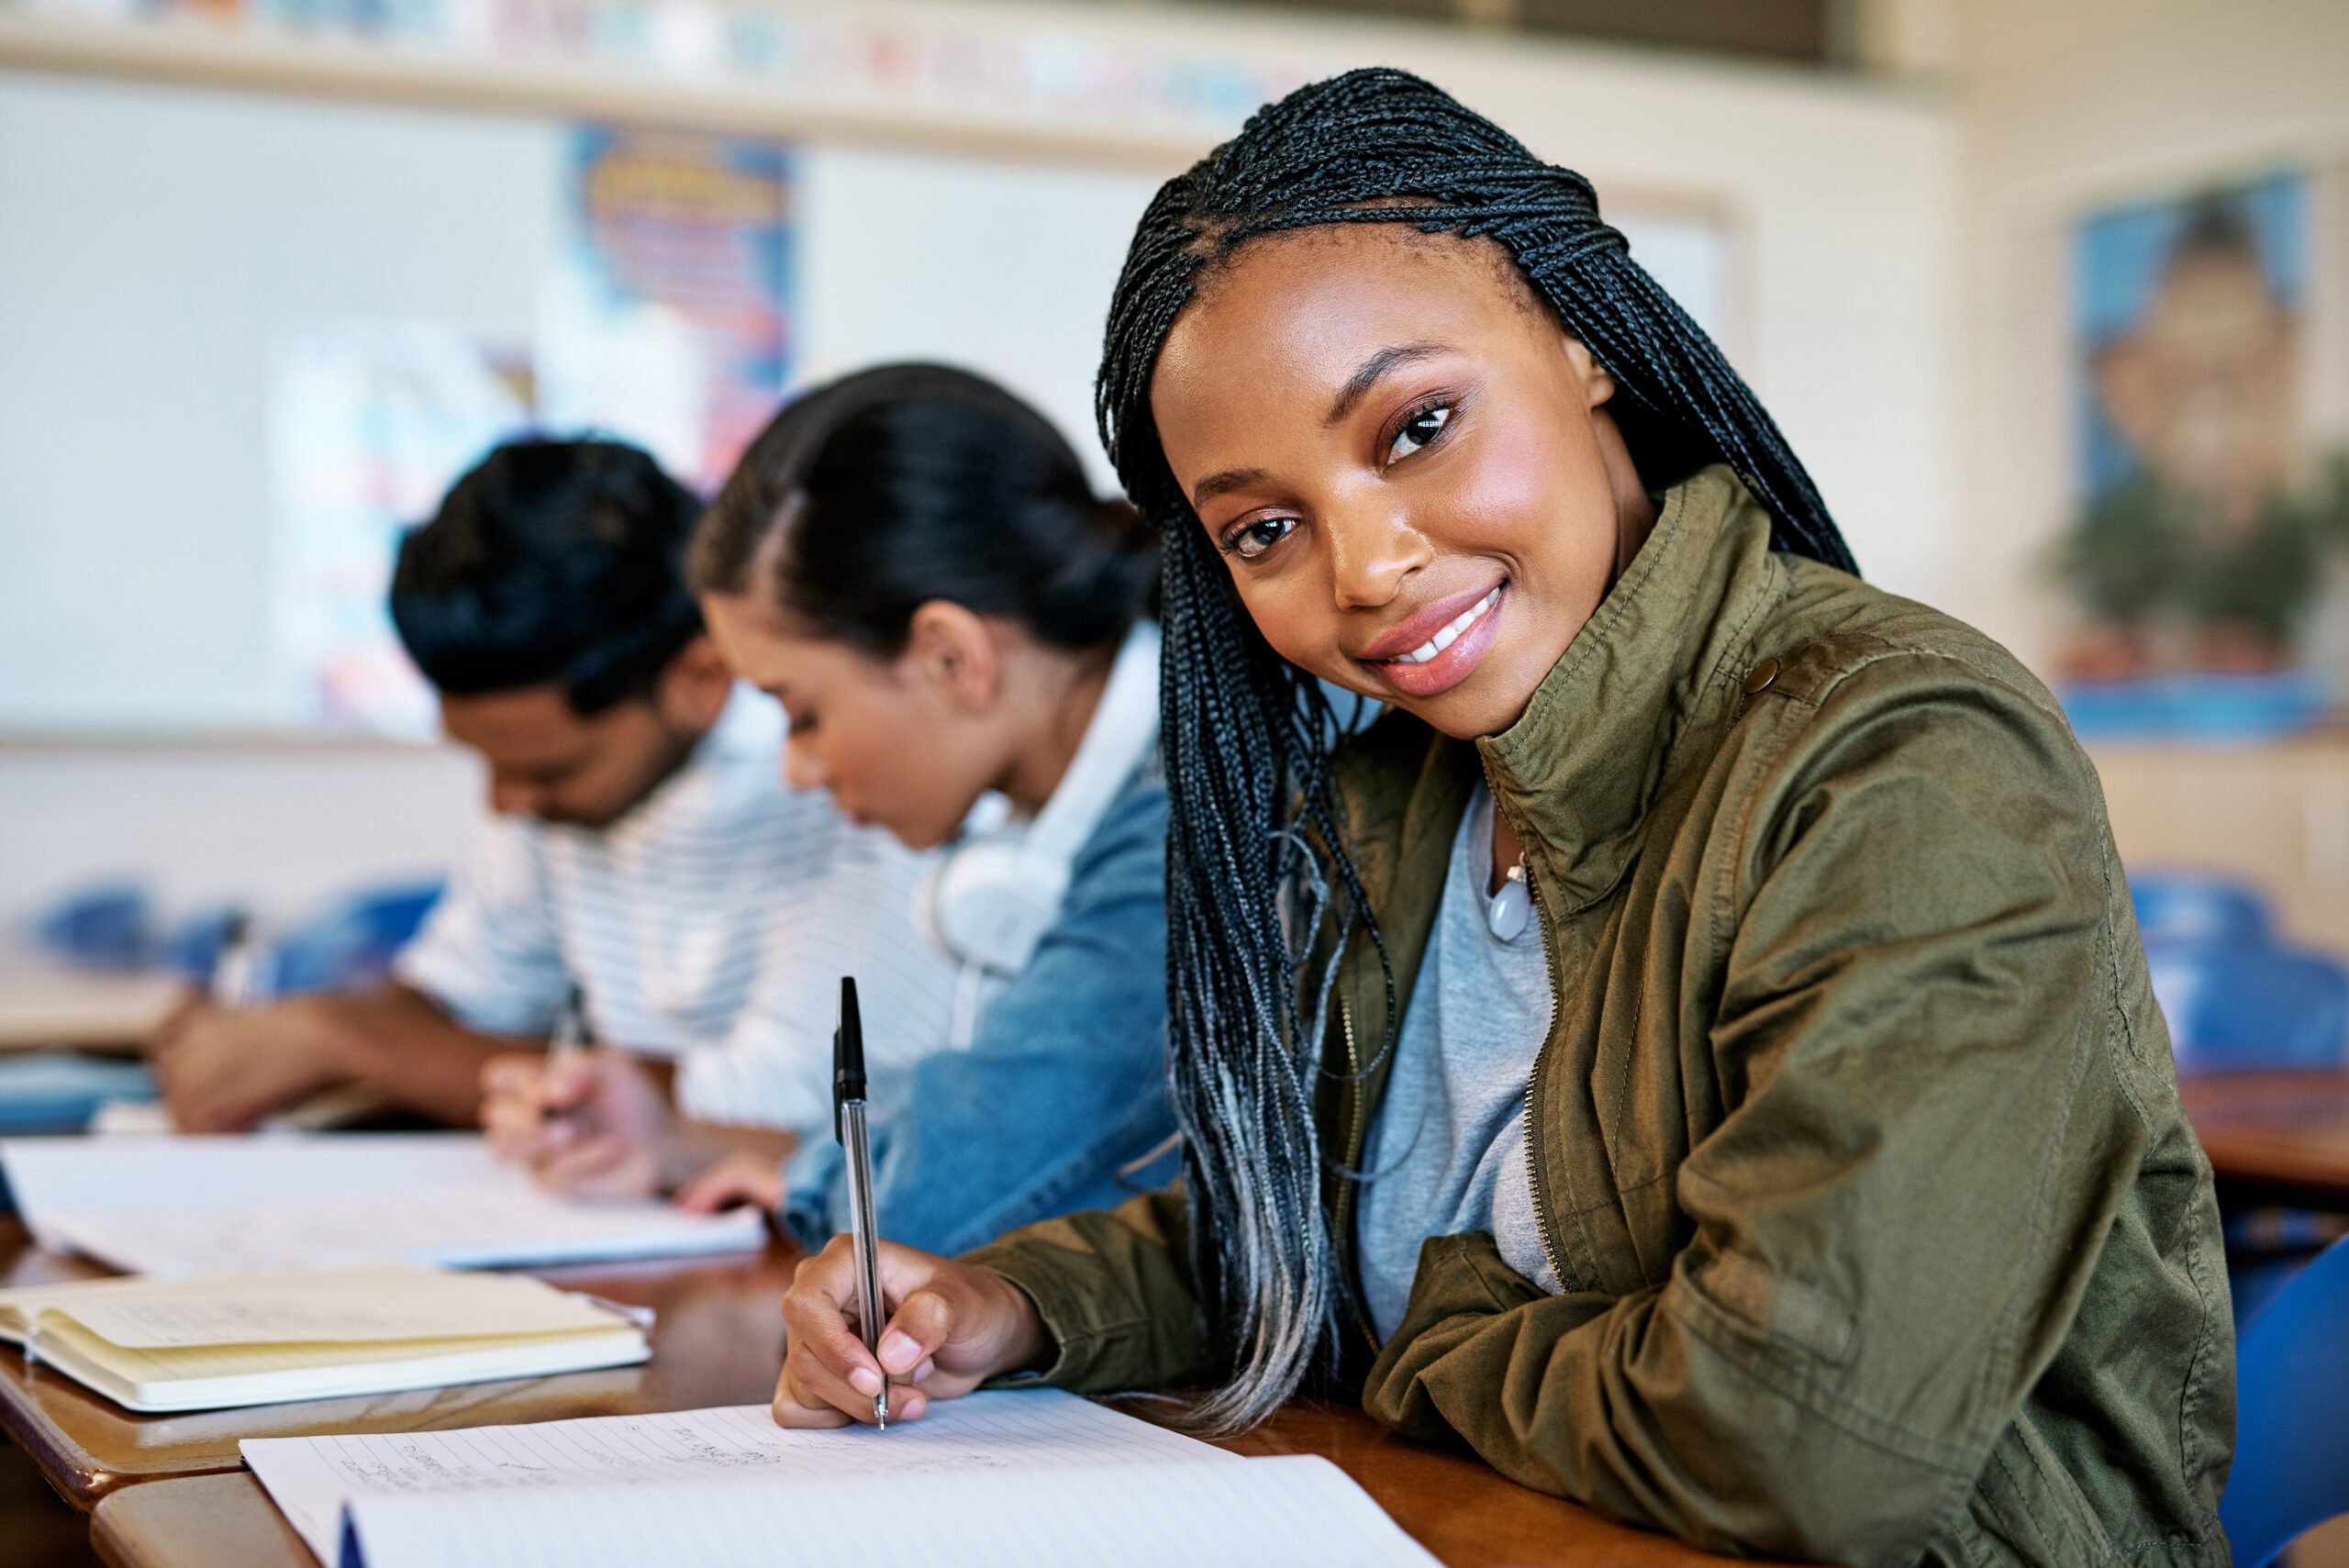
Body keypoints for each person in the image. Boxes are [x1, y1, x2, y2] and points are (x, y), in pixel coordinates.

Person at [772, 71, 2234, 1568]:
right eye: (1263, 527)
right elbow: (1313, 1229)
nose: (1366, 564)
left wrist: (1429, 1334)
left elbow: (1805, 1435)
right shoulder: (1395, 797)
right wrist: (1005, 1303)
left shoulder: (1905, 754)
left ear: (1582, 343)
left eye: (1416, 426)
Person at [481, 366, 1178, 1256]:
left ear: (949, 658)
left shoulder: (1172, 818)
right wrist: (677, 1137)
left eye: (800, 711)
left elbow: (953, 1193)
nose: (798, 768)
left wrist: (809, 1177)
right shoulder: (1083, 800)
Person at [151, 437, 959, 1163]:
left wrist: (345, 1039)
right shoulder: (552, 788)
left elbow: (783, 1110)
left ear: (700, 678)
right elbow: (453, 1004)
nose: (507, 802)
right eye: (489, 762)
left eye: (550, 769)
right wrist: (279, 1036)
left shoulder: (848, 782)